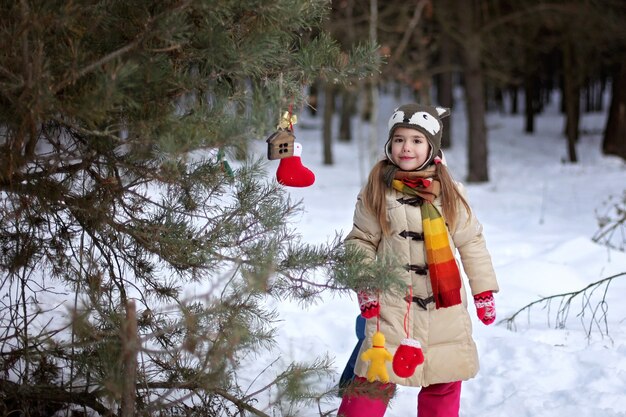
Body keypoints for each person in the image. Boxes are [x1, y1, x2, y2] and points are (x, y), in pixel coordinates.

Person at [337, 103, 499, 417]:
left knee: (443, 379)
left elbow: (471, 241)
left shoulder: (451, 192)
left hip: (445, 308)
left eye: (416, 140)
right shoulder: (376, 190)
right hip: (393, 305)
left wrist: (484, 291)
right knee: (375, 375)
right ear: (389, 144)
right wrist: (367, 284)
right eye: (399, 139)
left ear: (431, 147)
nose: (406, 147)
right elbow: (360, 241)